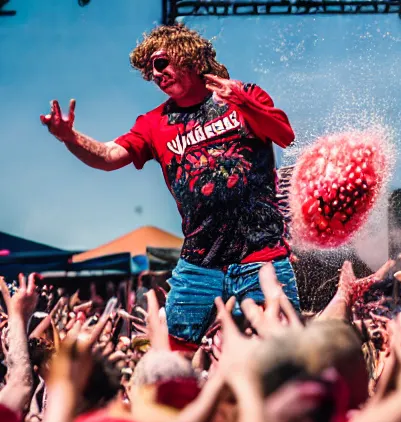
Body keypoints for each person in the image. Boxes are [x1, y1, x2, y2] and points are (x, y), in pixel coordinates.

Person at [40, 24, 299, 351]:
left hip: (262, 257)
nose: (156, 73)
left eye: (161, 63)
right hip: (199, 264)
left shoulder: (242, 96)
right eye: (150, 69)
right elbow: (108, 156)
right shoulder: (152, 123)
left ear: (188, 55)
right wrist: (70, 138)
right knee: (169, 359)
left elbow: (285, 135)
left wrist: (244, 100)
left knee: (285, 354)